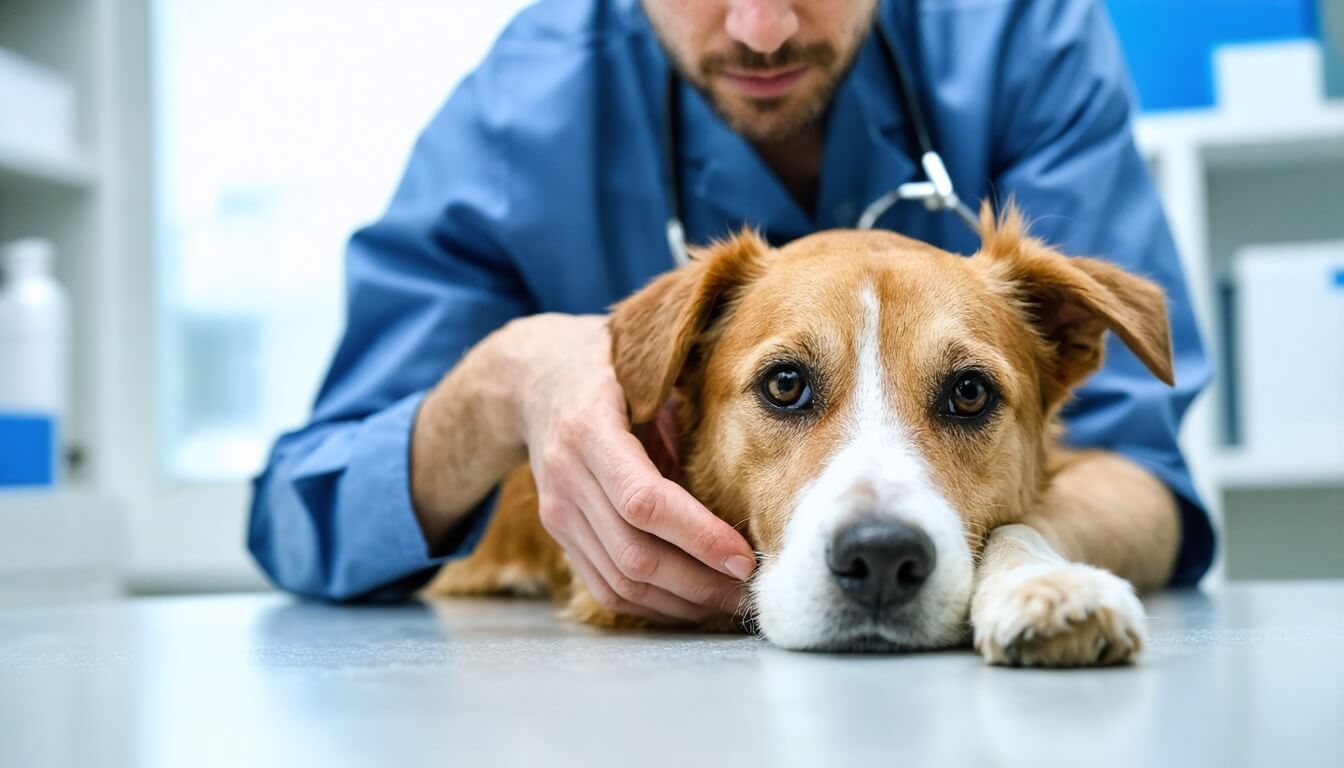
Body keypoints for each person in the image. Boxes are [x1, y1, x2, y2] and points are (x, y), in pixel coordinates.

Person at [247, 0, 1214, 621]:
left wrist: (1018, 565)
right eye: (787, 385)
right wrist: (501, 384)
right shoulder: (520, 107)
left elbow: (1140, 473)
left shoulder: (1020, 36)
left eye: (965, 396)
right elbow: (306, 508)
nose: (758, 26)